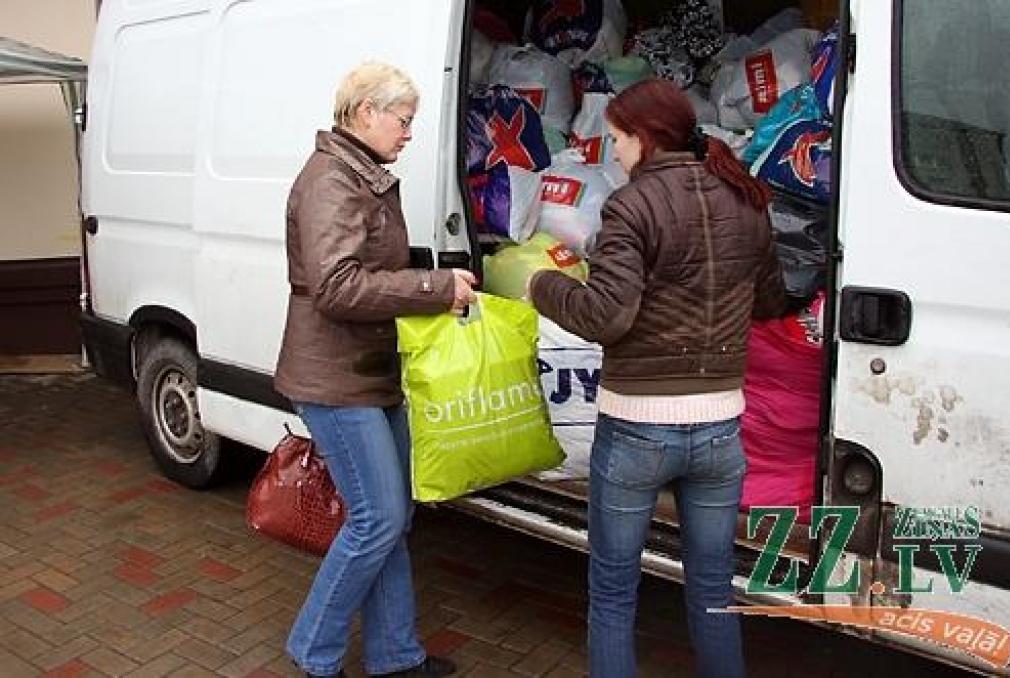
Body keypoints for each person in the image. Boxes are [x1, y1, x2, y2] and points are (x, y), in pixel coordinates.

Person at [528, 78, 786, 678]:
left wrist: (542, 285)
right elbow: (772, 300)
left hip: (639, 429)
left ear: (645, 138)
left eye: (616, 139)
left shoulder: (632, 205)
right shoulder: (745, 199)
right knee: (715, 589)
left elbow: (606, 316)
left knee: (614, 594)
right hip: (721, 429)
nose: (613, 152)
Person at [274, 62, 476, 678]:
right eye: (403, 119)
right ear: (365, 113)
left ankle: (395, 656)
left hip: (371, 369)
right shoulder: (331, 181)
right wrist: (432, 285)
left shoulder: (363, 176)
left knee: (393, 516)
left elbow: (366, 263)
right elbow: (336, 287)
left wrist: (437, 275)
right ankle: (314, 652)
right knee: (379, 516)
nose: (409, 132)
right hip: (334, 377)